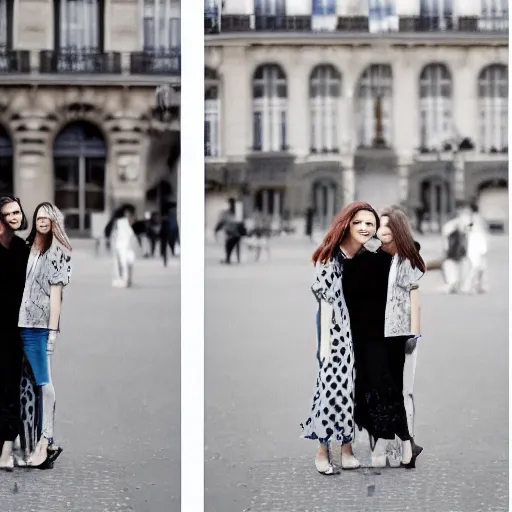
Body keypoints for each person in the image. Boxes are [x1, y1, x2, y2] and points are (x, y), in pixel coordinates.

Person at [301, 201, 381, 474]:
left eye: (370, 223)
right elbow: (324, 303)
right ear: (347, 223)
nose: (364, 228)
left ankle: (346, 447)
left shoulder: (369, 257)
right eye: (358, 222)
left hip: (362, 332)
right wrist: (323, 346)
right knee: (330, 387)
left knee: (354, 390)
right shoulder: (330, 256)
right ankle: (322, 450)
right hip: (334, 330)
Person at [369, 206, 426, 468]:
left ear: (398, 229)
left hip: (400, 333)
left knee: (398, 392)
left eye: (388, 227)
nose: (382, 231)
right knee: (387, 390)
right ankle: (403, 442)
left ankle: (401, 442)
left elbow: (415, 298)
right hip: (381, 332)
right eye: (380, 226)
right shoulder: (382, 256)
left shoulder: (407, 260)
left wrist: (415, 332)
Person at [16, 202, 72, 469]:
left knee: (43, 381)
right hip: (20, 323)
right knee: (28, 382)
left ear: (54, 223)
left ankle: (47, 439)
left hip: (37, 327)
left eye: (47, 218)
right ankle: (31, 439)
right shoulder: (29, 250)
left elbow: (57, 299)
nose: (42, 221)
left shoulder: (56, 253)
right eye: (39, 217)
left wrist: (52, 334)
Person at [0, 196, 29, 471]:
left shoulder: (23, 248)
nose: (15, 216)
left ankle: (7, 449)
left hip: (15, 330)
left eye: (17, 212)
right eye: (9, 213)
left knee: (10, 387)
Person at [441, 204, 471, 293]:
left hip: (451, 249)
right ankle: (460, 284)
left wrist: (445, 248)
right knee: (462, 265)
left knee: (450, 265)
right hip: (461, 249)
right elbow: (467, 236)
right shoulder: (464, 223)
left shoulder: (448, 225)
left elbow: (445, 237)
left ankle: (453, 283)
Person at [463, 204, 488, 294]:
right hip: (474, 245)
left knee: (480, 267)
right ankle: (469, 286)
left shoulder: (475, 220)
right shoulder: (471, 221)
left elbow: (481, 233)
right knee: (476, 266)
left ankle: (477, 285)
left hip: (478, 244)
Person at [111, 205, 138, 288]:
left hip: (129, 246)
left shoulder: (133, 225)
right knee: (123, 263)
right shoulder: (119, 222)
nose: (131, 217)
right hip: (121, 246)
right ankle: (123, 279)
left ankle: (127, 279)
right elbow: (114, 234)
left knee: (129, 263)